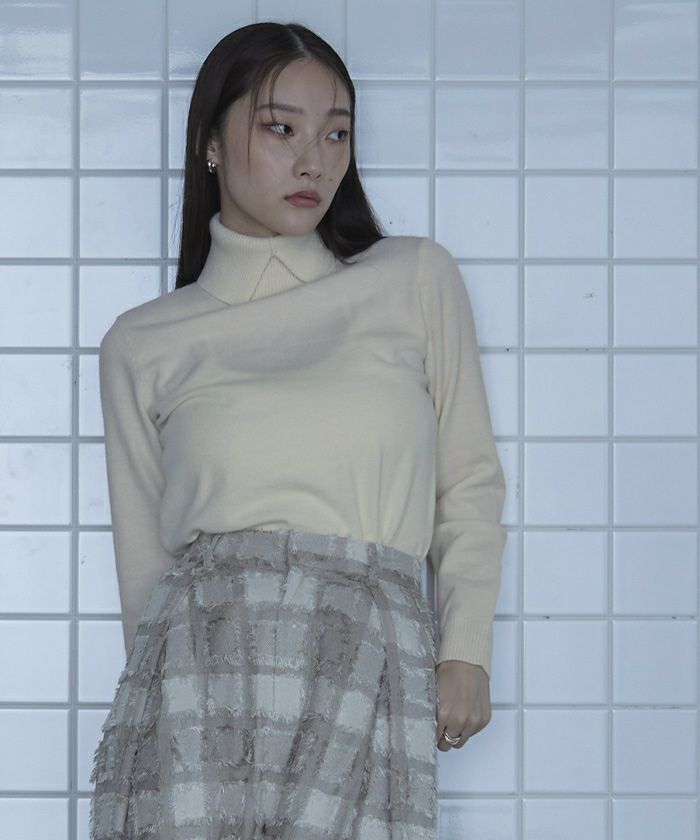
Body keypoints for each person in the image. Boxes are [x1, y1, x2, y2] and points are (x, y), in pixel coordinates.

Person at [88, 20, 506, 840]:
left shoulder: (413, 278)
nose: (314, 160)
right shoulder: (143, 342)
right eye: (281, 128)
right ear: (211, 143)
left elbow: (468, 481)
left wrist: (465, 648)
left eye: (336, 133)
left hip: (369, 649)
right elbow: (145, 572)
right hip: (195, 677)